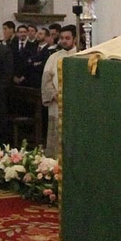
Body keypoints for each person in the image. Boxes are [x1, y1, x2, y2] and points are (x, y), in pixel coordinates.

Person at [41, 24, 77, 156]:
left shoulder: (82, 56)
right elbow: (46, 80)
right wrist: (54, 95)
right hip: (57, 103)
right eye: (62, 38)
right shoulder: (54, 57)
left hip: (75, 105)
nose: (64, 41)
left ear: (75, 39)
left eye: (67, 38)